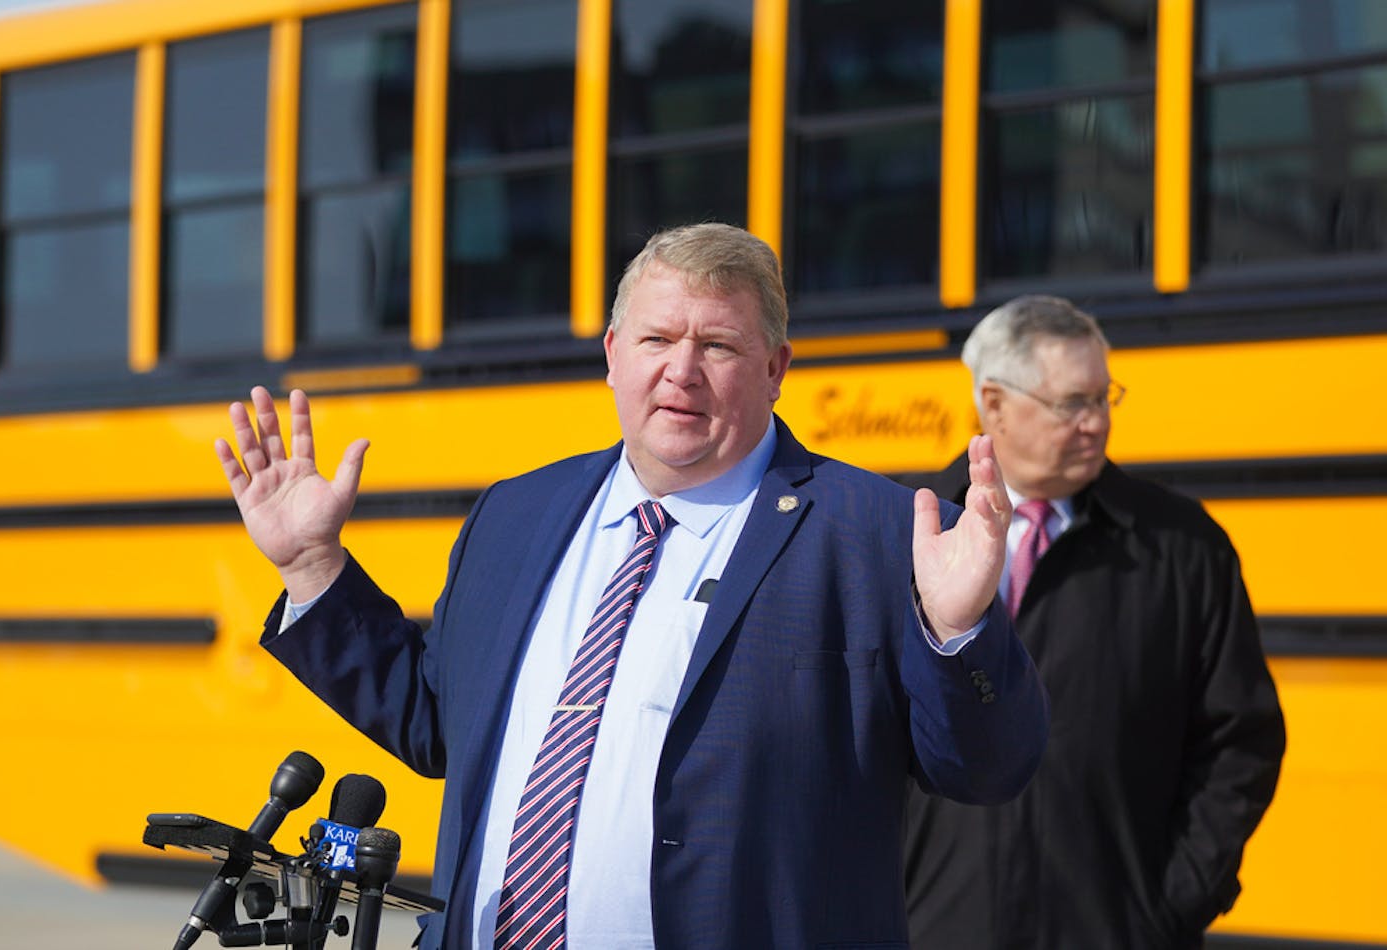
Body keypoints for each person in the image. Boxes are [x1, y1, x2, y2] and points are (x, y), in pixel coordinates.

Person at [216, 223, 1049, 950]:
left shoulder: (874, 530)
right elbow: (439, 723)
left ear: (775, 368)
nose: (680, 372)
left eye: (717, 346)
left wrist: (960, 633)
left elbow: (988, 772)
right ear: (614, 356)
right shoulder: (517, 512)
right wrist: (312, 567)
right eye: (656, 341)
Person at [903, 295, 1286, 949]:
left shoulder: (1181, 548)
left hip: (1113, 930)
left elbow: (1240, 741)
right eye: (1071, 403)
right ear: (992, 404)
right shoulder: (905, 532)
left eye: (1103, 398)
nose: (1095, 423)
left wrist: (1168, 905)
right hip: (928, 927)